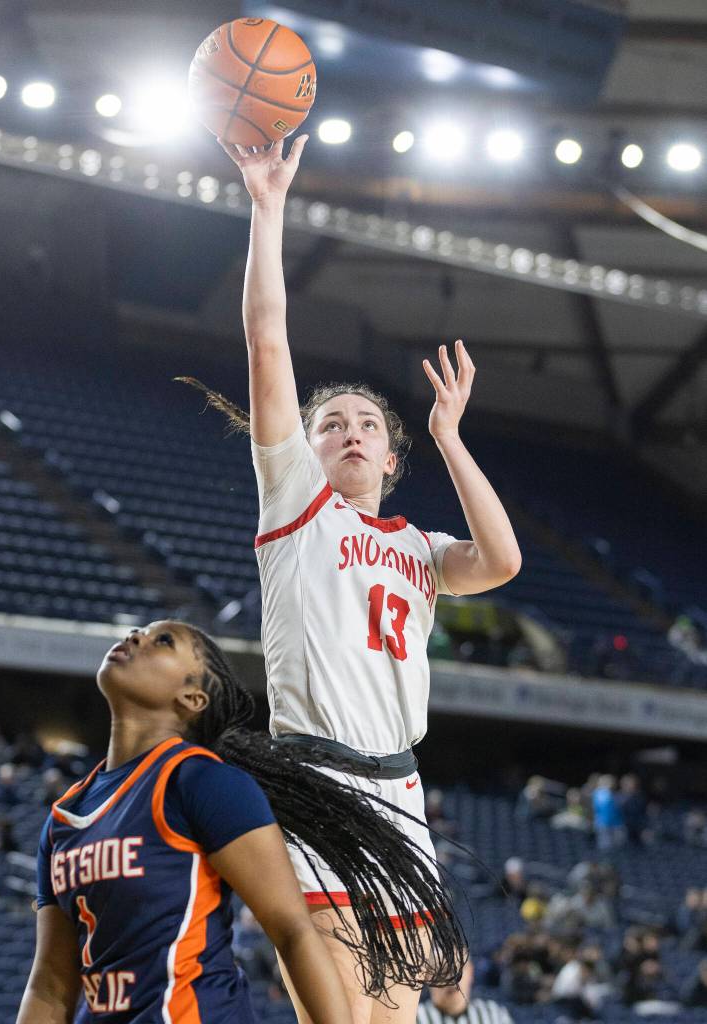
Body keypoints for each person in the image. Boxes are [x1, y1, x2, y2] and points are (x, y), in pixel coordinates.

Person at [184, 133, 520, 1024]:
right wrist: (267, 206)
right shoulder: (297, 505)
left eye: (366, 421)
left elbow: (502, 562)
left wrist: (452, 437)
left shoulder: (418, 544)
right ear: (309, 445)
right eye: (330, 422)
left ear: (391, 453)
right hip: (317, 781)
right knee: (340, 1016)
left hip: (400, 787)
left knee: (399, 1017)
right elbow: (266, 336)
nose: (349, 431)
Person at [17, 621, 465, 1024]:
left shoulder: (202, 782)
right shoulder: (64, 817)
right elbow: (51, 983)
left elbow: (292, 931)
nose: (135, 635)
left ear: (193, 697)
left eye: (163, 640)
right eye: (143, 632)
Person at [417, 959, 514, 1023]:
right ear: (427, 978)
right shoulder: (414, 1018)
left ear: (470, 972)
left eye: (457, 970)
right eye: (442, 971)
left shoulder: (494, 1014)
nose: (451, 978)